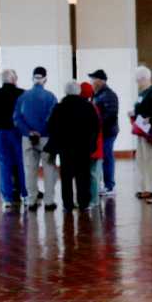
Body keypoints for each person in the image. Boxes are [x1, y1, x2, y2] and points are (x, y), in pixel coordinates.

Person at [48, 80, 101, 211]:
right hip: (83, 148)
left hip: (65, 149)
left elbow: (52, 127)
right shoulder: (88, 107)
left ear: (66, 92)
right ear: (78, 91)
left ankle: (68, 204)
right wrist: (92, 144)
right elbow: (95, 127)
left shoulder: (59, 107)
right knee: (83, 176)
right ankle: (84, 203)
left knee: (66, 177)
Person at [14, 66, 59, 210]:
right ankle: (49, 201)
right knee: (49, 169)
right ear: (45, 78)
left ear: (32, 78)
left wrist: (29, 131)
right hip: (46, 138)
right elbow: (53, 119)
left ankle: (31, 200)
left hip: (27, 138)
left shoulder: (22, 97)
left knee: (29, 170)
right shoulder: (51, 97)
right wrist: (41, 131)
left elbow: (17, 118)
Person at [0, 69, 25, 210]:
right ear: (14, 79)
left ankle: (7, 198)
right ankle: (25, 193)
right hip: (17, 131)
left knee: (4, 164)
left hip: (1, 131)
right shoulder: (21, 93)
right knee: (21, 162)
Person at [88, 70, 121, 198]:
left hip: (108, 132)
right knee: (102, 158)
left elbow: (111, 114)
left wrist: (98, 124)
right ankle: (104, 184)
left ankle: (110, 186)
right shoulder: (96, 94)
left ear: (101, 81)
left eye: (93, 79)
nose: (91, 82)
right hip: (101, 132)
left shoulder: (109, 95)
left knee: (107, 157)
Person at [131, 67, 152, 197]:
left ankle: (151, 188)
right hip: (140, 129)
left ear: (144, 79)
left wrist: (147, 118)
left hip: (149, 131)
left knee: (149, 159)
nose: (137, 83)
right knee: (141, 159)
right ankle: (143, 187)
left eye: (138, 81)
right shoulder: (142, 93)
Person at [79, 80, 106, 208]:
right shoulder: (93, 107)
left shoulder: (88, 108)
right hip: (96, 145)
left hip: (90, 146)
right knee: (94, 174)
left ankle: (93, 199)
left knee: (92, 174)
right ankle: (94, 199)